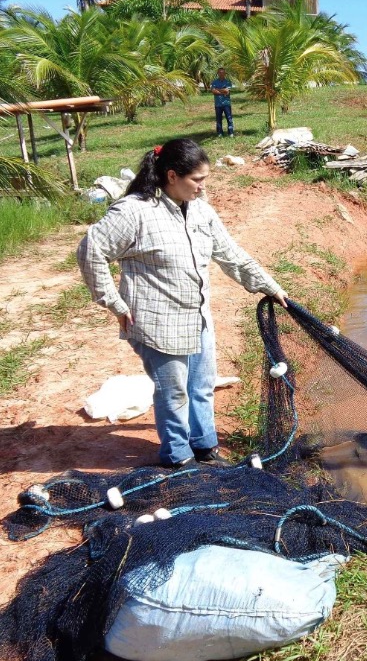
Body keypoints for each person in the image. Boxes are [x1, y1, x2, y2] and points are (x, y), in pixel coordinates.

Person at [77, 138, 288, 468]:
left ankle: (204, 446)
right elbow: (91, 250)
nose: (203, 188)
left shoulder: (200, 210)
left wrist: (269, 286)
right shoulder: (135, 211)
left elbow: (231, 255)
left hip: (197, 316)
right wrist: (114, 303)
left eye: (205, 180)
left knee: (201, 385)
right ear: (172, 176)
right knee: (173, 392)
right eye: (197, 180)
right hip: (156, 321)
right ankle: (178, 457)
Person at [210, 68, 234, 137]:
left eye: (223, 72)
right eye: (220, 72)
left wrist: (218, 90)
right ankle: (220, 133)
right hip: (218, 104)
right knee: (218, 119)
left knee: (229, 118)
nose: (221, 74)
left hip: (226, 103)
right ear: (218, 73)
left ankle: (230, 132)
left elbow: (227, 91)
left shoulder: (228, 82)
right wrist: (222, 91)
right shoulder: (214, 82)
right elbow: (214, 91)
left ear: (225, 74)